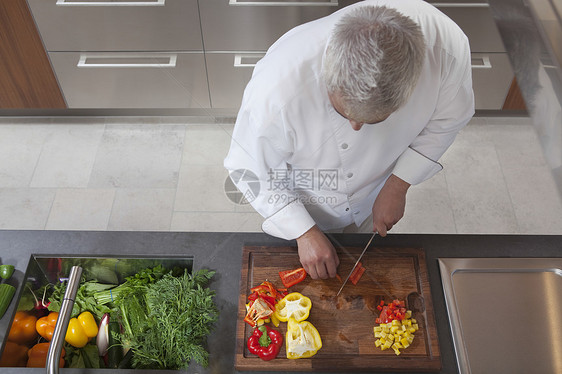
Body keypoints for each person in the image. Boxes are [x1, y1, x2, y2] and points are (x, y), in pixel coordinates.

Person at [224, 0, 474, 280]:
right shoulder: (276, 88)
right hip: (307, 196)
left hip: (375, 191)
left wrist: (398, 184)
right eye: (343, 113)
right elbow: (249, 168)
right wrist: (303, 232)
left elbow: (448, 119)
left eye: (371, 121)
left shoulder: (446, 50)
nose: (356, 127)